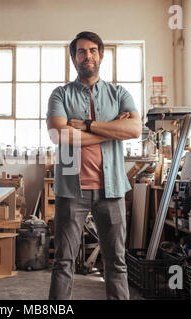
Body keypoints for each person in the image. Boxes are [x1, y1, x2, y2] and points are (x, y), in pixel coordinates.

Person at [46, 31, 142, 300]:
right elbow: (58, 135)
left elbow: (135, 129)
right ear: (73, 59)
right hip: (70, 189)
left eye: (91, 51)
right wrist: (113, 129)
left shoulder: (119, 93)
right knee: (63, 262)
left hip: (111, 190)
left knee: (116, 262)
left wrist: (87, 126)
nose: (86, 56)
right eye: (80, 51)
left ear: (100, 55)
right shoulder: (60, 94)